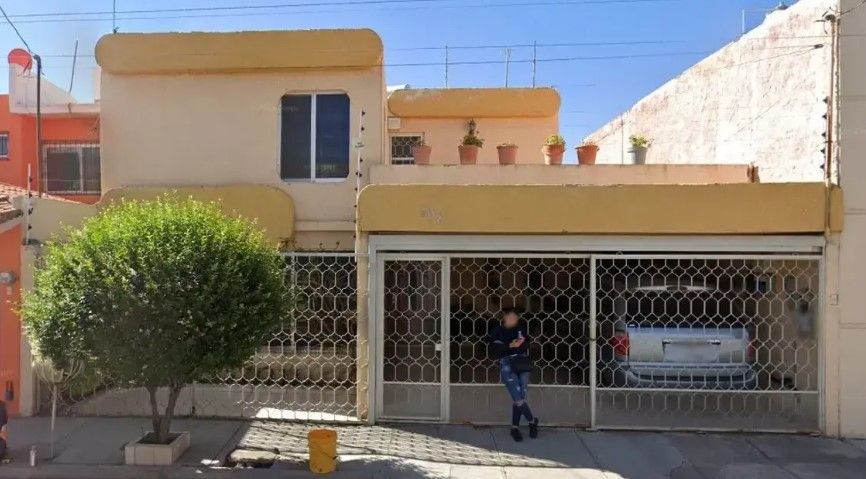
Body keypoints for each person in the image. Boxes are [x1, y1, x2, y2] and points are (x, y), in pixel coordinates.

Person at [488, 308, 539, 442]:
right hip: (507, 364)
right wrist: (510, 345)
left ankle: (514, 428)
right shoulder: (497, 331)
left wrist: (520, 344)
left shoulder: (521, 329)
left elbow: (526, 344)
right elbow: (494, 348)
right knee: (518, 398)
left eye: (515, 317)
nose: (512, 319)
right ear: (504, 317)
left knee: (521, 395)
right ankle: (532, 421)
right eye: (510, 317)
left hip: (522, 363)